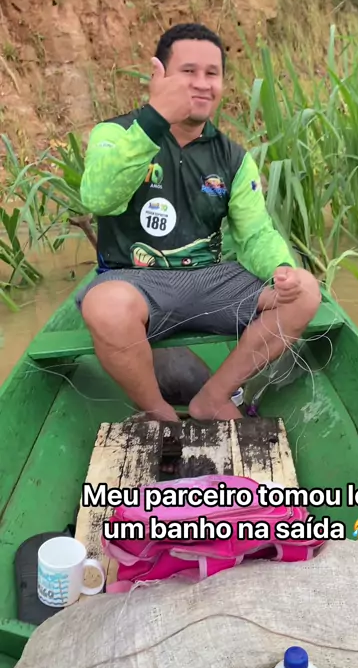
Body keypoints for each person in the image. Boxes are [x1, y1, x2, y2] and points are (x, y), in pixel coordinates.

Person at [77, 22, 321, 421]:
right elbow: (98, 198)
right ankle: (158, 411)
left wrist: (281, 268)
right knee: (105, 307)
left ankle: (213, 397)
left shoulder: (233, 157)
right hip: (135, 283)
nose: (203, 84)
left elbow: (255, 233)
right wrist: (155, 120)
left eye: (213, 73)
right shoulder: (115, 134)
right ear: (159, 75)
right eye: (189, 72)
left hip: (209, 280)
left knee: (305, 291)